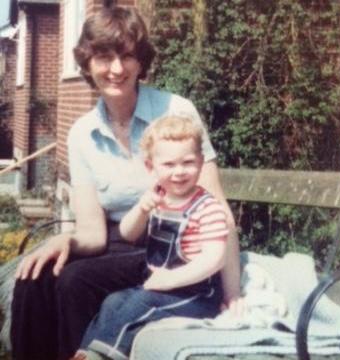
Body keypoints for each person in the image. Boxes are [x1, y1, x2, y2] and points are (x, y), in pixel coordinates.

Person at [10, 6, 240, 360]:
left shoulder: (176, 111)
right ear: (87, 63)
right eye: (104, 57)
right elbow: (94, 233)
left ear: (140, 62)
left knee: (75, 282)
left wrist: (233, 294)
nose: (116, 69)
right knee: (32, 280)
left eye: (127, 56)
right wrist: (65, 239)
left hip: (174, 240)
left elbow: (218, 211)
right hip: (122, 239)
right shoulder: (82, 133)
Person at [72, 116, 228, 360]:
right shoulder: (157, 198)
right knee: (114, 301)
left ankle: (102, 356)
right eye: (168, 164)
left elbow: (214, 258)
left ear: (200, 162)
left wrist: (171, 279)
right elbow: (127, 234)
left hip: (195, 295)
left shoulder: (207, 208)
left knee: (140, 304)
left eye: (188, 162)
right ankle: (84, 352)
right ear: (150, 167)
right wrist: (141, 210)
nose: (179, 172)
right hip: (160, 286)